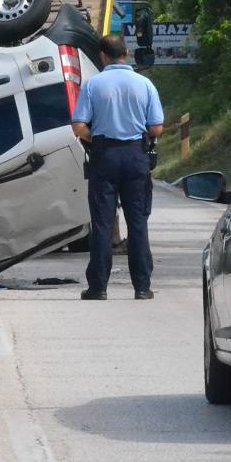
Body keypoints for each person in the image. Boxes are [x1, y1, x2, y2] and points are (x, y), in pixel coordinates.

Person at [71, 34, 164, 301]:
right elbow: (156, 127)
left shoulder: (93, 85)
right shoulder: (145, 84)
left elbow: (78, 126)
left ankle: (98, 287)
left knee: (102, 224)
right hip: (136, 157)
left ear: (103, 56)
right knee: (138, 223)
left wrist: (96, 137)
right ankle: (142, 287)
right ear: (126, 53)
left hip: (104, 156)